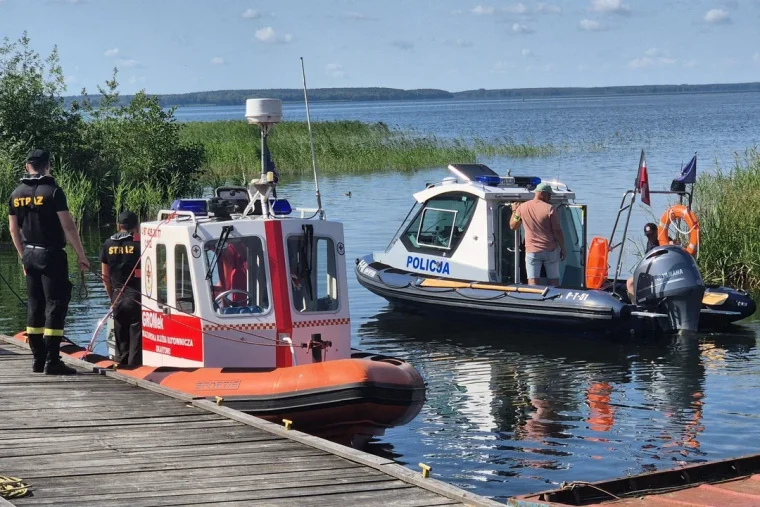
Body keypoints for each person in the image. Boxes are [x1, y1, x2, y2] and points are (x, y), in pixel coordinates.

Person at [8, 148, 90, 374]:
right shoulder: (53, 192)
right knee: (55, 304)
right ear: (47, 166)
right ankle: (52, 361)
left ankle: (38, 359)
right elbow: (68, 226)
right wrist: (81, 255)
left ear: (27, 167)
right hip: (51, 254)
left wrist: (22, 256)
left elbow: (13, 230)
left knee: (35, 306)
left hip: (30, 255)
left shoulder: (16, 193)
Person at [100, 211, 142, 366]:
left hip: (117, 295)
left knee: (120, 339)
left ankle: (121, 367)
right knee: (136, 340)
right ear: (136, 226)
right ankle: (135, 369)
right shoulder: (139, 244)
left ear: (119, 226)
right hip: (136, 296)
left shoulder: (107, 244)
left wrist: (112, 296)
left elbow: (105, 276)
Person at [509, 182, 566, 286]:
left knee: (533, 280)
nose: (550, 197)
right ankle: (554, 300)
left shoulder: (522, 208)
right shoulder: (549, 209)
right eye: (549, 195)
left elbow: (513, 226)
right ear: (542, 194)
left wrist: (514, 211)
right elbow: (557, 231)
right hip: (550, 250)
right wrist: (563, 248)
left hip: (532, 252)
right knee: (553, 280)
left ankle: (534, 298)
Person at [626, 222, 675, 299]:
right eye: (648, 235)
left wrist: (673, 244)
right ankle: (636, 305)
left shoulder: (665, 240)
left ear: (657, 231)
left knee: (630, 282)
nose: (650, 237)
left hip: (661, 272)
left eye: (651, 234)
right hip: (651, 271)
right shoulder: (649, 243)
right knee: (629, 282)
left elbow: (671, 251)